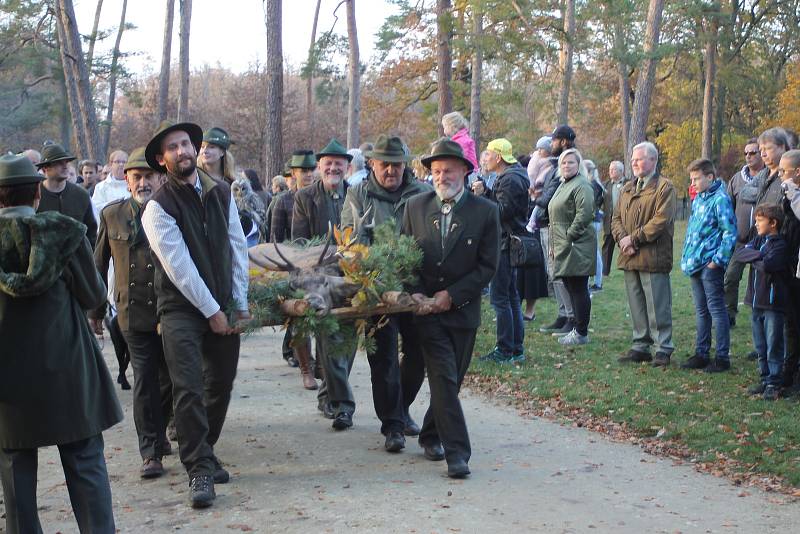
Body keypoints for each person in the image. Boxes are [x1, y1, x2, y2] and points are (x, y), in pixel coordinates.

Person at [0, 154, 122, 533]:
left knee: (15, 468)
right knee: (84, 459)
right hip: (67, 363)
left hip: (6, 377)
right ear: (37, 192)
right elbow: (93, 295)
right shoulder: (63, 232)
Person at [141, 120, 250, 509]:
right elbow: (180, 268)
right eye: (173, 147)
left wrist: (238, 302)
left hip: (223, 302)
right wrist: (212, 311)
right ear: (162, 159)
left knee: (220, 383)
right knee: (187, 387)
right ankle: (199, 470)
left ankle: (205, 446)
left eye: (186, 143)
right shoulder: (158, 208)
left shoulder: (222, 193)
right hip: (180, 309)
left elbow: (237, 246)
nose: (182, 151)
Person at [402, 139, 500, 478]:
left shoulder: (486, 212)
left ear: (465, 171)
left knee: (451, 382)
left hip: (462, 311)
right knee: (443, 377)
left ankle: (430, 434)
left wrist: (453, 295)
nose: (442, 176)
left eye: (449, 170)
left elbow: (488, 267)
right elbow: (404, 259)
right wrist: (415, 293)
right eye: (436, 171)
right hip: (426, 312)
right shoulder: (414, 207)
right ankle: (457, 454)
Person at [341, 134, 432, 451]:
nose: (391, 171)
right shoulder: (359, 194)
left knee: (418, 355)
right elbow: (350, 241)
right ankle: (392, 425)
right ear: (372, 165)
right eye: (385, 165)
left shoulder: (423, 193)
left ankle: (402, 408)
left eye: (396, 165)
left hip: (417, 289)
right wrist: (372, 271)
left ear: (405, 166)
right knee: (384, 360)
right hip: (377, 289)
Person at [89, 147, 173, 478]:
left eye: (149, 176)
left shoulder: (172, 211)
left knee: (169, 379)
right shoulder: (112, 215)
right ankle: (150, 451)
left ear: (160, 178)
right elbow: (99, 264)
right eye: (137, 177)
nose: (143, 183)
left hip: (170, 310)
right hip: (130, 312)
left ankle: (162, 429)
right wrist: (95, 309)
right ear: (126, 180)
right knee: (144, 380)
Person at [293, 139, 357, 429]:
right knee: (330, 339)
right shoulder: (305, 197)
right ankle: (343, 404)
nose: (333, 168)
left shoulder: (356, 195)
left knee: (349, 339)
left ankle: (326, 394)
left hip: (352, 275)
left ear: (347, 167)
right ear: (320, 166)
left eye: (338, 163)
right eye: (327, 163)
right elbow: (300, 245)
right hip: (317, 279)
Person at [612, 142, 676, 366]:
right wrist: (622, 240)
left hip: (653, 254)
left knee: (657, 304)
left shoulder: (664, 187)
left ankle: (663, 347)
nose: (635, 163)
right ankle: (641, 345)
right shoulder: (627, 188)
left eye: (639, 159)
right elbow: (616, 218)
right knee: (637, 303)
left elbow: (660, 220)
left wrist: (634, 239)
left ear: (653, 160)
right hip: (629, 254)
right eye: (632, 160)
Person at [472, 138, 529, 363]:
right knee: (511, 297)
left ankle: (505, 350)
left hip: (504, 244)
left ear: (498, 157)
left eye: (487, 154)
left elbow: (502, 211)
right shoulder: (513, 176)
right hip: (506, 242)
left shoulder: (510, 179)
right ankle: (515, 348)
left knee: (500, 299)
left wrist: (483, 195)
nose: (484, 158)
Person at [679, 159, 737, 372]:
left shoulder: (720, 199)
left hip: (710, 265)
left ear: (710, 177)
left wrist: (717, 261)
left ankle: (722, 357)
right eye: (691, 179)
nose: (692, 183)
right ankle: (701, 353)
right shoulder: (699, 199)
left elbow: (730, 232)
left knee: (716, 310)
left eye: (696, 179)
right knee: (701, 310)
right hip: (694, 263)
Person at [733, 204, 787, 400]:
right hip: (755, 302)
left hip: (772, 304)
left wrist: (755, 258)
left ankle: (775, 381)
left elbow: (770, 265)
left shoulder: (780, 245)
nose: (755, 223)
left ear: (773, 223)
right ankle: (764, 378)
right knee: (761, 344)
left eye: (760, 220)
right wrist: (760, 257)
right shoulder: (758, 240)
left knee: (774, 343)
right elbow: (740, 254)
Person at [548, 148, 597, 345]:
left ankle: (581, 332)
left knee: (578, 287)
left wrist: (569, 237)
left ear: (579, 165)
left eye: (571, 162)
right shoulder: (564, 184)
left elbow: (584, 214)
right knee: (569, 285)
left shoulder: (581, 185)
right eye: (563, 163)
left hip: (576, 244)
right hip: (564, 244)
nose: (566, 166)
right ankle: (576, 328)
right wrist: (555, 243)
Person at [536, 125, 578, 335]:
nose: (550, 144)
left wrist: (536, 197)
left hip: (559, 226)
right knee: (554, 273)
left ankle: (572, 316)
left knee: (561, 273)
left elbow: (550, 196)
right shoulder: (555, 167)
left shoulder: (569, 166)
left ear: (562, 141)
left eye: (553, 140)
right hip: (548, 224)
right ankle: (564, 314)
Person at [723, 138, 767, 327]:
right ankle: (729, 314)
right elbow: (727, 207)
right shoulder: (736, 179)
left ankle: (762, 320)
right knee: (730, 277)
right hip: (739, 241)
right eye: (746, 153)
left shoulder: (770, 177)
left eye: (753, 152)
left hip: (764, 242)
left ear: (761, 153)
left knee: (761, 283)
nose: (748, 156)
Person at [35, 143, 97, 246]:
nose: (65, 166)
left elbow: (91, 234)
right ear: (46, 168)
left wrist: (88, 260)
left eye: (66, 162)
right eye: (59, 163)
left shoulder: (81, 195)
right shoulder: (35, 195)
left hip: (77, 260)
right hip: (45, 259)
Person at [778, 149, 800, 393]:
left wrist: (792, 192)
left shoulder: (795, 194)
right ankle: (789, 371)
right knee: (791, 323)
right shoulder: (788, 194)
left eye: (785, 171)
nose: (781, 175)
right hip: (789, 267)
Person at [601, 161, 626, 276]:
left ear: (621, 171)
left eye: (614, 169)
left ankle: (628, 268)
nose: (610, 171)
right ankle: (605, 272)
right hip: (609, 222)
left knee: (625, 243)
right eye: (610, 169)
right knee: (607, 247)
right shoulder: (605, 185)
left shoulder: (629, 183)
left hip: (624, 221)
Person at [584, 159, 605, 290]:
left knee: (594, 253)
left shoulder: (593, 184)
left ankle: (597, 282)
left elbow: (591, 205)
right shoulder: (594, 184)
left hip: (592, 221)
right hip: (593, 220)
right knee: (593, 252)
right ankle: (596, 282)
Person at [92, 150, 129, 215]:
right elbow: (95, 208)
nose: (121, 164)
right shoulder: (101, 187)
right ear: (111, 164)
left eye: (124, 162)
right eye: (117, 162)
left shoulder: (133, 184)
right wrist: (115, 205)